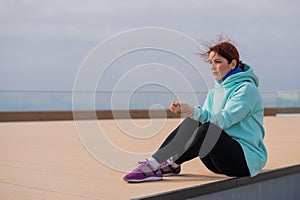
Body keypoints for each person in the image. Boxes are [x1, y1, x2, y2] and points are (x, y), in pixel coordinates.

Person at [123, 39, 268, 183]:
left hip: (244, 161)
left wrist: (193, 110)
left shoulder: (246, 90)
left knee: (208, 129)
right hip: (217, 159)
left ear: (233, 64)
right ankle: (155, 161)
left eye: (217, 62)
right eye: (210, 62)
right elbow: (203, 118)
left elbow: (224, 120)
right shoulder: (214, 92)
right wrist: (191, 113)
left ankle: (166, 164)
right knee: (194, 121)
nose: (212, 67)